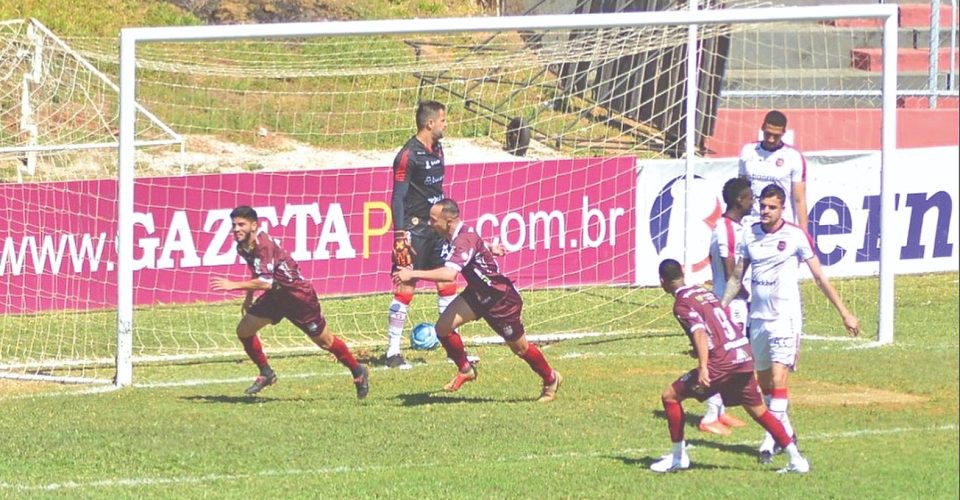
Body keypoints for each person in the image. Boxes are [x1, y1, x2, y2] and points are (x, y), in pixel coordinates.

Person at [721, 184, 860, 463]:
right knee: (763, 383)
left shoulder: (795, 236)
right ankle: (787, 432)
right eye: (762, 206)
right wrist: (720, 308)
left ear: (782, 208)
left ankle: (768, 441)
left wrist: (845, 313)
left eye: (771, 207)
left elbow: (820, 277)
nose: (765, 211)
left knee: (778, 378)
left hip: (785, 318)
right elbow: (737, 277)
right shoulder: (750, 234)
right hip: (757, 318)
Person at [392, 199, 563, 402]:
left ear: (449, 220)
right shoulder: (454, 233)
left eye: (433, 220)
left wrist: (413, 274)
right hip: (477, 294)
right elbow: (474, 244)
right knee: (442, 328)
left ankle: (551, 378)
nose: (430, 223)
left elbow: (448, 275)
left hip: (500, 299)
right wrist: (489, 247)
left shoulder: (463, 238)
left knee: (521, 348)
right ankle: (466, 369)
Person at [651, 258, 809, 474]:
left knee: (670, 396)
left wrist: (704, 365)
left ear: (662, 281)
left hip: (721, 362)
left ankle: (678, 457)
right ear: (683, 274)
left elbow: (699, 331)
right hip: (743, 354)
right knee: (759, 410)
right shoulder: (703, 292)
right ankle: (796, 459)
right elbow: (716, 324)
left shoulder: (681, 304)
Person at [211, 206, 369, 399]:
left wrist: (232, 285)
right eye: (234, 225)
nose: (236, 229)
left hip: (298, 297)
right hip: (276, 297)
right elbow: (258, 272)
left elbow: (265, 282)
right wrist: (249, 297)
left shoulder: (264, 245)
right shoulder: (242, 246)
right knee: (244, 330)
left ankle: (357, 370)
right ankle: (266, 373)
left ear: (254, 225)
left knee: (325, 342)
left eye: (241, 224)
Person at [386, 100, 458, 369]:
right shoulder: (407, 155)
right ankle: (392, 352)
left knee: (447, 284)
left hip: (437, 230)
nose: (445, 124)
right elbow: (397, 197)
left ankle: (454, 350)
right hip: (414, 231)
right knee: (406, 288)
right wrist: (400, 235)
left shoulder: (438, 149)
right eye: (443, 120)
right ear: (430, 123)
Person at [697, 177, 755, 436]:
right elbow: (729, 264)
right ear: (739, 200)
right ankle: (710, 415)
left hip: (734, 302)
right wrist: (740, 290)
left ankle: (719, 411)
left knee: (731, 359)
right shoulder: (726, 229)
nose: (753, 201)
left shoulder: (734, 226)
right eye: (750, 197)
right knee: (724, 359)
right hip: (728, 303)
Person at [738, 110, 808, 231]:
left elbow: (799, 199)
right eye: (768, 134)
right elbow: (741, 189)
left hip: (781, 226)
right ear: (762, 128)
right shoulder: (748, 151)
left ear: (783, 133)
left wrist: (804, 232)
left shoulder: (793, 157)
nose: (771, 139)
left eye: (776, 136)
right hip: (752, 222)